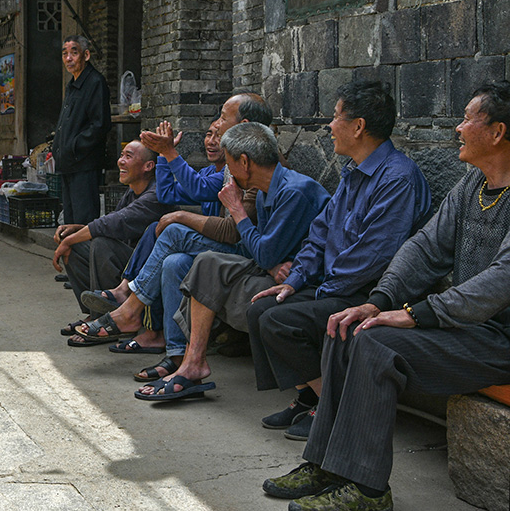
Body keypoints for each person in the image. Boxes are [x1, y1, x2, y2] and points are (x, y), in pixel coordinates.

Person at [263, 82, 510, 511]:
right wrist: (380, 300)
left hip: (497, 339)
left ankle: (368, 490)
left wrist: (417, 313)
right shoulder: (472, 186)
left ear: (497, 132)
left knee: (375, 344)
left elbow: (501, 281)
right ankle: (325, 464)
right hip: (466, 327)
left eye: (468, 118)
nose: (457, 128)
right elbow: (425, 248)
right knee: (350, 326)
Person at [246, 81, 431, 440]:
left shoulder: (397, 178)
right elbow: (320, 233)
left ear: (358, 126)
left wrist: (320, 292)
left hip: (366, 292)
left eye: (335, 117)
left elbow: (373, 256)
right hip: (334, 284)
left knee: (281, 322)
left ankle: (332, 406)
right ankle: (308, 395)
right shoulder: (352, 172)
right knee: (259, 309)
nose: (329, 126)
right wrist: (296, 280)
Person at [73, 93, 272, 382]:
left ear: (244, 124)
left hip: (252, 254)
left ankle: (129, 304)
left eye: (221, 120)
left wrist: (170, 158)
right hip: (236, 246)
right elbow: (175, 192)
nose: (215, 128)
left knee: (173, 229)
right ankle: (178, 355)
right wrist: (167, 157)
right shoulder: (232, 166)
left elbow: (229, 226)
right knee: (173, 262)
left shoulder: (254, 164)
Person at [135, 122, 330, 401]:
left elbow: (264, 251)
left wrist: (237, 211)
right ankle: (193, 362)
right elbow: (263, 252)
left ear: (245, 162)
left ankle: (311, 397)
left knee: (196, 256)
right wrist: (270, 261)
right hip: (274, 269)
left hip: (303, 280)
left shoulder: (294, 191)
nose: (227, 171)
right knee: (206, 263)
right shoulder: (265, 190)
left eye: (229, 162)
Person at [61, 117, 225, 352]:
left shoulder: (225, 177)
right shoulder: (210, 172)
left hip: (222, 247)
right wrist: (163, 155)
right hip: (154, 257)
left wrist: (168, 153)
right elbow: (169, 193)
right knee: (91, 244)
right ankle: (114, 311)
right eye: (209, 134)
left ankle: (131, 312)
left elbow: (195, 189)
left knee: (153, 240)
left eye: (219, 135)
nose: (211, 141)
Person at [53, 140, 175, 335]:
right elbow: (111, 224)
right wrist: (77, 230)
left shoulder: (156, 194)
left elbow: (114, 223)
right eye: (121, 155)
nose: (120, 161)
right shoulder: (132, 192)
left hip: (145, 270)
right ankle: (94, 314)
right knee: (77, 246)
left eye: (128, 156)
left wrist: (71, 238)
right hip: (128, 264)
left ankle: (106, 321)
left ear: (148, 166)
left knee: (102, 244)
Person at [51, 36, 110, 224]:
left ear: (86, 55)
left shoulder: (95, 82)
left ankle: (85, 254)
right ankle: (73, 253)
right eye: (65, 54)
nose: (69, 58)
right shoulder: (72, 85)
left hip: (84, 163)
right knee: (70, 219)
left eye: (74, 53)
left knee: (83, 221)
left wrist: (73, 146)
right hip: (68, 163)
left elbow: (100, 125)